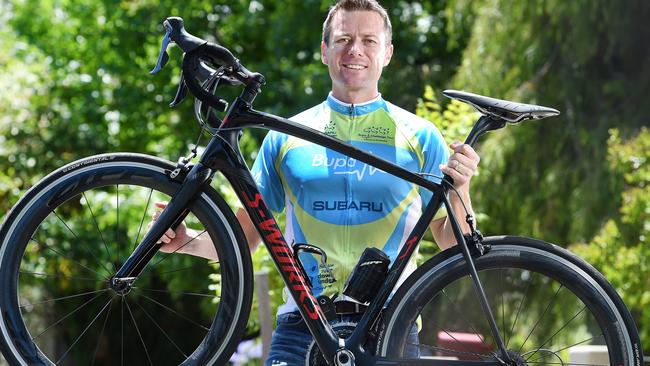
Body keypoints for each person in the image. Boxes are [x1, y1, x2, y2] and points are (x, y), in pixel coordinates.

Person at [151, 0, 480, 364]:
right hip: (302, 323)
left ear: (387, 53)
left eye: (369, 41)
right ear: (325, 51)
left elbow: (454, 246)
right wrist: (187, 243)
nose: (355, 50)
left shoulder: (422, 136)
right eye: (343, 39)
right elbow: (245, 236)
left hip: (391, 323)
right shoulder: (285, 137)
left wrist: (462, 190)